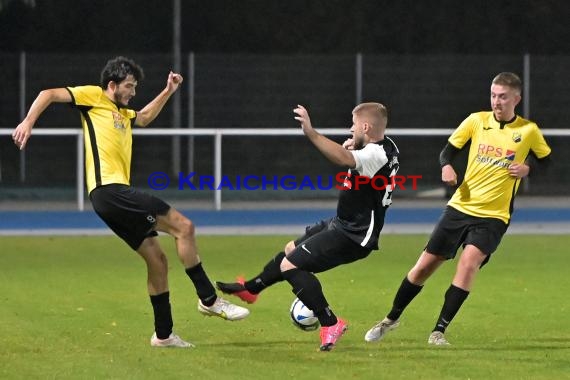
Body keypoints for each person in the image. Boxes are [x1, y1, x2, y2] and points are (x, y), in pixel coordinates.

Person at [12, 56, 249, 348]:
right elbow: (48, 94)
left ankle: (163, 335)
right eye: (129, 86)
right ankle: (209, 300)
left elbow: (146, 117)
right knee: (183, 227)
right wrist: (27, 121)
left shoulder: (123, 113)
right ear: (112, 85)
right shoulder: (94, 96)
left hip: (110, 197)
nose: (133, 92)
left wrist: (168, 91)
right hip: (109, 190)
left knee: (158, 262)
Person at [364, 72, 552, 346]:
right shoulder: (476, 121)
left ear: (516, 99)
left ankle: (438, 331)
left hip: (494, 216)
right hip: (460, 207)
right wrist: (446, 166)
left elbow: (546, 162)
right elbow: (447, 152)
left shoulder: (528, 131)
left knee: (468, 264)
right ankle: (390, 320)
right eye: (493, 95)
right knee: (423, 268)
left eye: (502, 96)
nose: (496, 101)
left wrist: (529, 168)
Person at [216, 102, 400, 351]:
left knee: (289, 265)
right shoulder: (385, 147)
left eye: (354, 124)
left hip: (355, 235)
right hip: (343, 223)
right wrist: (356, 145)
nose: (350, 128)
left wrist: (311, 133)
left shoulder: (375, 154)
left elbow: (345, 159)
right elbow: (362, 158)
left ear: (365, 126)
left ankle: (330, 322)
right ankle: (251, 289)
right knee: (291, 248)